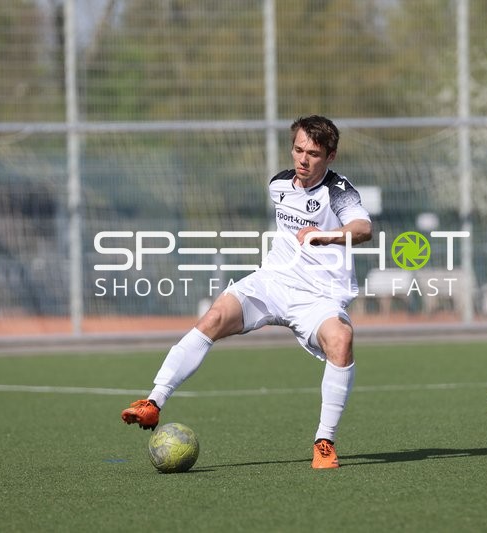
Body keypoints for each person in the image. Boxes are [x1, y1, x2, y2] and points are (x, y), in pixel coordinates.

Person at [121, 115, 373, 469]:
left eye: (313, 154)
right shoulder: (279, 184)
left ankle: (324, 441)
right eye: (298, 149)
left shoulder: (339, 190)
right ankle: (153, 402)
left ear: (330, 156)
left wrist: (326, 234)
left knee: (342, 340)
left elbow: (363, 228)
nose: (303, 159)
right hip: (272, 283)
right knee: (213, 317)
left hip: (319, 296)